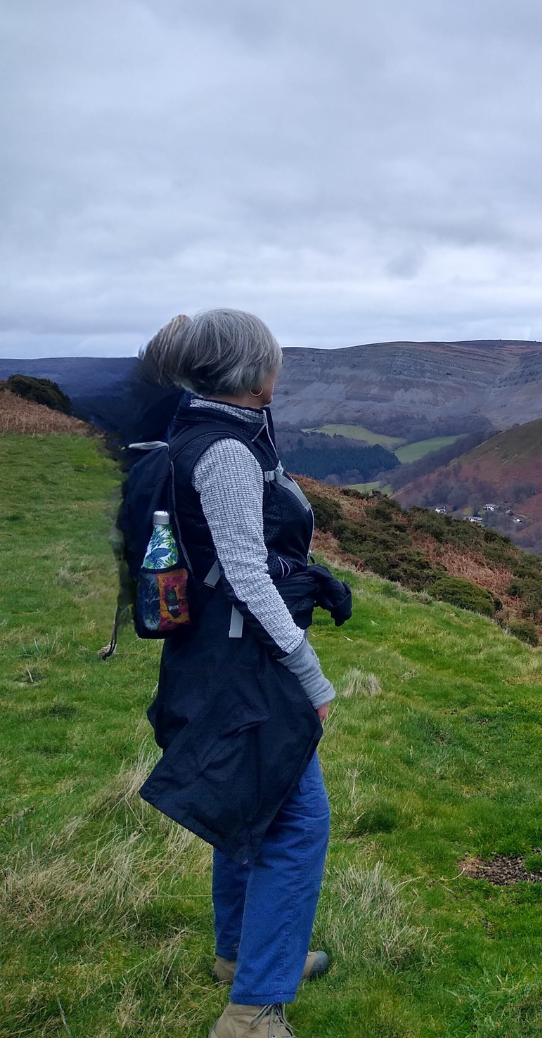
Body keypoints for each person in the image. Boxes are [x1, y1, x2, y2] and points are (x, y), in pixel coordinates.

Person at [136, 309, 351, 1038]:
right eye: (273, 360)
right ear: (253, 370)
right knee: (299, 822)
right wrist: (311, 675)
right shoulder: (227, 451)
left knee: (249, 809)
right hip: (245, 662)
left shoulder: (206, 430)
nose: (278, 370)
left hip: (217, 653)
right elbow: (247, 578)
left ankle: (241, 958)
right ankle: (255, 1010)